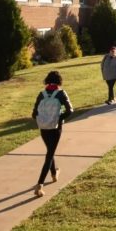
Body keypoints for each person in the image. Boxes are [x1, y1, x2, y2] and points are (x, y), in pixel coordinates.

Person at [31, 70, 73, 198]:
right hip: (55, 128)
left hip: (43, 128)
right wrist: (59, 119)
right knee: (49, 154)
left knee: (50, 150)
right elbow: (70, 110)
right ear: (59, 81)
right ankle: (39, 185)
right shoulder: (61, 93)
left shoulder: (41, 94)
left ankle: (54, 174)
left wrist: (43, 119)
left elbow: (34, 114)